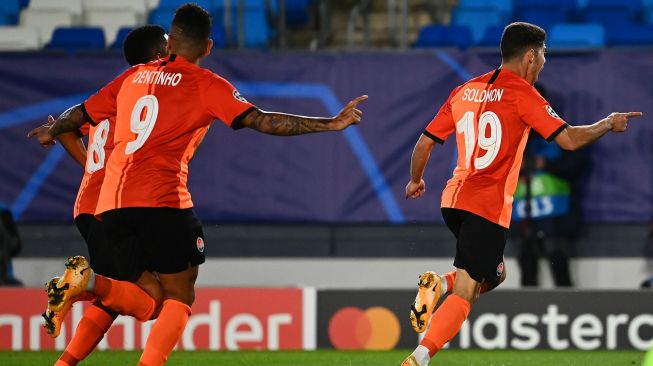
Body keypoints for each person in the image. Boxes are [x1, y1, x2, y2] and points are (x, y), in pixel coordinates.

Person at [28, 4, 367, 365]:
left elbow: (78, 114)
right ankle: (94, 289)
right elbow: (264, 121)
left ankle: (78, 321)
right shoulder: (207, 84)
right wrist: (329, 123)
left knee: (138, 297)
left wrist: (53, 128)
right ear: (208, 48)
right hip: (163, 199)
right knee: (178, 296)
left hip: (110, 206)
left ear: (170, 41)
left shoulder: (131, 77)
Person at [401, 22, 642, 365]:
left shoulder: (464, 90)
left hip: (452, 201)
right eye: (544, 54)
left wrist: (415, 180)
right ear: (530, 55)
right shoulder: (523, 94)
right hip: (486, 205)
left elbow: (425, 143)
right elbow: (569, 139)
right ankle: (420, 357)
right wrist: (607, 123)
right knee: (468, 291)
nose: (544, 61)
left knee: (495, 274)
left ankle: (439, 284)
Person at [37, 25, 170, 366]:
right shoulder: (145, 97)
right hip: (114, 207)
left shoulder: (111, 96)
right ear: (157, 56)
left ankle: (64, 362)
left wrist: (90, 168)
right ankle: (84, 284)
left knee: (113, 296)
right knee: (154, 300)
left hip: (87, 206)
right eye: (167, 49)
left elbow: (67, 129)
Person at [512, 83, 588, 287]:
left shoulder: (563, 133)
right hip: (522, 217)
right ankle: (526, 318)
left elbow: (576, 166)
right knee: (527, 272)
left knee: (560, 270)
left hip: (557, 219)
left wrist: (546, 164)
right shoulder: (508, 138)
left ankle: (568, 316)